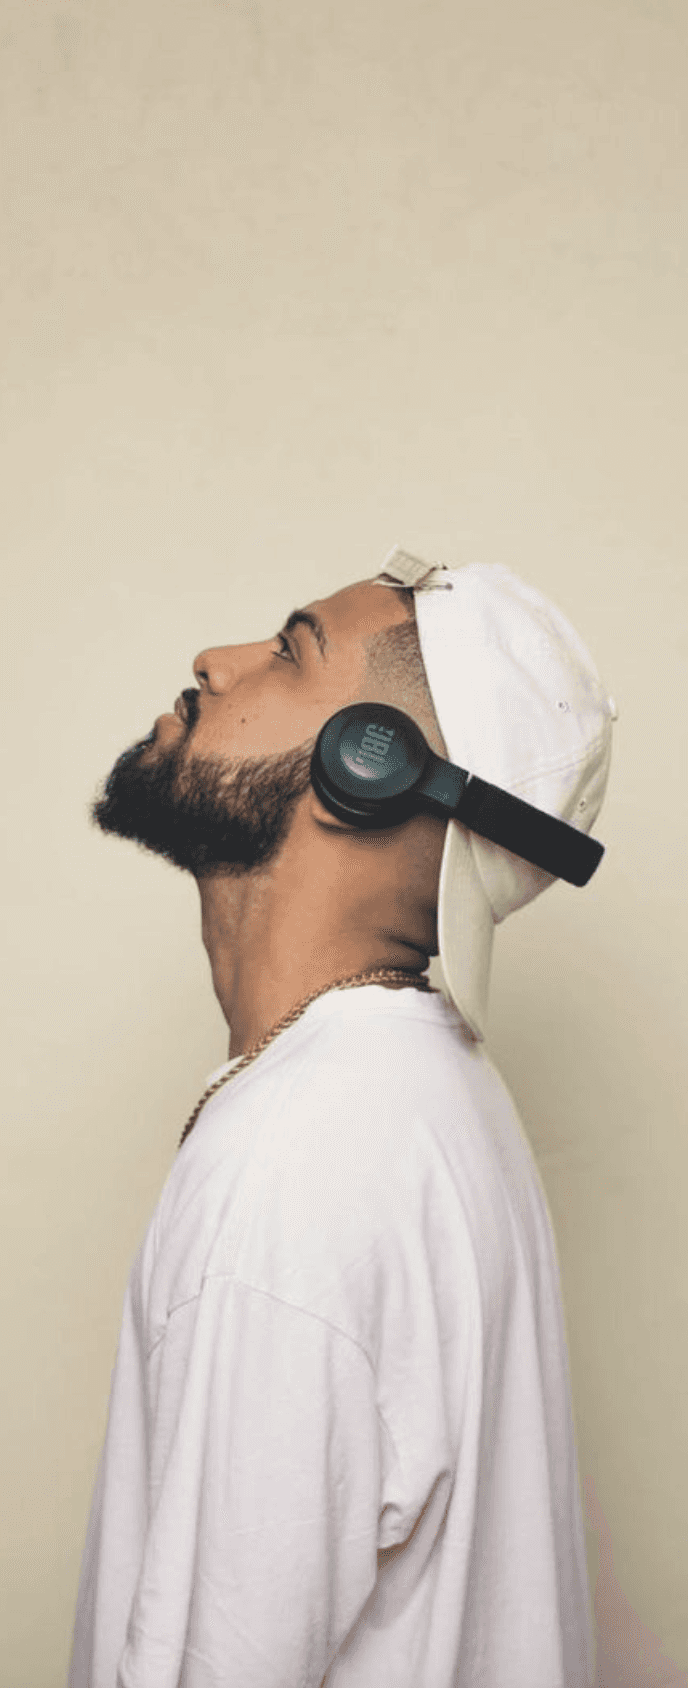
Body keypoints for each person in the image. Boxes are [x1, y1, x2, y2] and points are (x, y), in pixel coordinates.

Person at [68, 545, 616, 1688]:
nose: (212, 664)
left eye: (287, 650)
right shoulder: (416, 1096)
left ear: (371, 764)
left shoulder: (299, 1162)